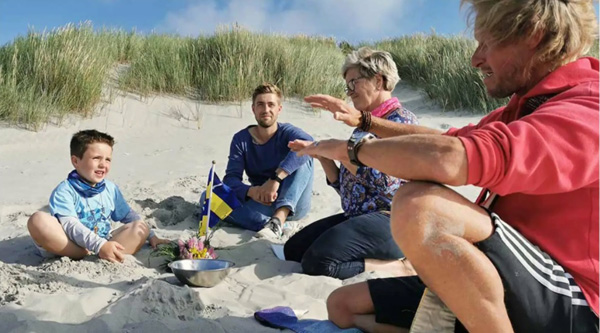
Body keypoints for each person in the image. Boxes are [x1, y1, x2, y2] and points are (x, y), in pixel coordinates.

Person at [297, 0, 599, 332]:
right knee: (342, 306)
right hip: (499, 280)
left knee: (420, 207)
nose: (475, 59)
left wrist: (354, 149)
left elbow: (451, 157)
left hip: (571, 298)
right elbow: (445, 138)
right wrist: (365, 122)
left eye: (486, 43)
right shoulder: (524, 106)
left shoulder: (587, 104)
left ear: (534, 36)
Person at [284, 48, 418, 279]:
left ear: (378, 81)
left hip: (392, 219)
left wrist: (341, 152)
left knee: (318, 263)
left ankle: (402, 267)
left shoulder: (401, 122)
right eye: (347, 85)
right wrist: (323, 156)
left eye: (353, 83)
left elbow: (386, 185)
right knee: (293, 250)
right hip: (358, 216)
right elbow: (348, 190)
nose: (349, 92)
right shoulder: (364, 127)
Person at [27, 130, 170, 263]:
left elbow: (128, 215)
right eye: (96, 158)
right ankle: (86, 253)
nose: (103, 164)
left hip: (103, 241)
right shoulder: (65, 190)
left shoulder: (110, 188)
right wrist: (99, 244)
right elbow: (70, 225)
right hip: (70, 245)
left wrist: (152, 236)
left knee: (141, 227)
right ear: (76, 161)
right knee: (37, 220)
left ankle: (107, 252)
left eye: (108, 159)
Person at [223, 83, 314, 237]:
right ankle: (272, 224)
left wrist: (275, 179)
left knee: (304, 152)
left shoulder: (286, 132)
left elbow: (309, 143)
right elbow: (231, 179)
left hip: (293, 201)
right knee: (209, 198)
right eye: (260, 105)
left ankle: (279, 218)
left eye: (271, 104)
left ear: (279, 109)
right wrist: (253, 191)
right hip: (263, 201)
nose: (266, 110)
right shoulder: (241, 139)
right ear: (253, 109)